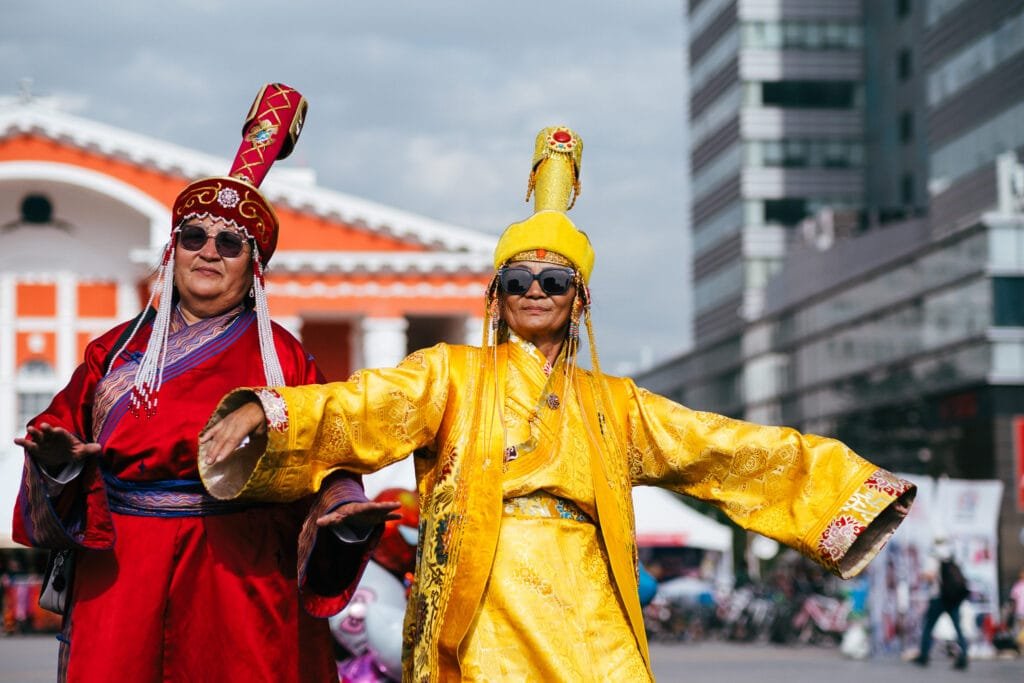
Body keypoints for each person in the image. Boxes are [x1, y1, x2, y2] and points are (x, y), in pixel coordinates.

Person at [199, 125, 917, 682]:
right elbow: (359, 408)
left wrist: (842, 489)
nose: (536, 290)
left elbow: (722, 449)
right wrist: (271, 419)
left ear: (580, 300)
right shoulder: (449, 374)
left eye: (554, 280)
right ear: (497, 295)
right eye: (519, 279)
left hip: (589, 601)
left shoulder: (617, 403)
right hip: (483, 599)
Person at [11, 84, 395, 682]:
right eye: (193, 238)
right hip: (123, 571)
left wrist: (344, 514)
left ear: (253, 265)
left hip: (241, 574)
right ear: (173, 252)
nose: (208, 252)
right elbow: (59, 427)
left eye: (229, 242)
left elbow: (331, 459)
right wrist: (57, 461)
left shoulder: (287, 363)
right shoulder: (112, 351)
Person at [911, 537, 969, 670]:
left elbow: (929, 576)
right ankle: (964, 654)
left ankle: (924, 655)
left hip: (938, 597)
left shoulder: (934, 557)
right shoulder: (950, 557)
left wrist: (922, 576)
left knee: (928, 626)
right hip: (952, 598)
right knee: (958, 627)